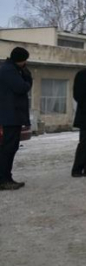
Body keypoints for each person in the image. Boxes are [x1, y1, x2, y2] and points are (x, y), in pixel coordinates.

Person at [0, 47, 33, 191]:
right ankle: (4, 179)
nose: (25, 63)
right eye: (24, 60)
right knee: (8, 148)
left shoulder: (9, 68)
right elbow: (22, 88)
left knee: (10, 147)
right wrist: (27, 78)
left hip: (11, 115)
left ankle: (6, 177)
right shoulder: (8, 71)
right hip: (10, 116)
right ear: (20, 59)